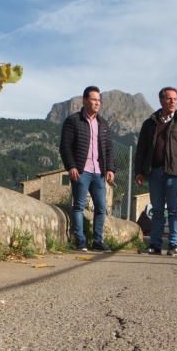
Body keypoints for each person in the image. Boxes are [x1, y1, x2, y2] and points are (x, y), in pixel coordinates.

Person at [134, 86, 177, 257]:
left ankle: (174, 245)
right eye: (169, 98)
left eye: (175, 98)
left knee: (174, 210)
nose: (173, 101)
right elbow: (141, 150)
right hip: (154, 173)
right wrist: (139, 171)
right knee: (158, 211)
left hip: (174, 173)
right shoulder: (149, 124)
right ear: (161, 100)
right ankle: (155, 244)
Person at [59, 86, 116, 251]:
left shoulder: (103, 123)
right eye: (93, 99)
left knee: (101, 207)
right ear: (84, 100)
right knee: (79, 206)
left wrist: (110, 169)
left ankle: (98, 241)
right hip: (81, 171)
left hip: (99, 173)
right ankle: (80, 241)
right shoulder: (73, 120)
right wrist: (71, 166)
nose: (97, 103)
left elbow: (109, 149)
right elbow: (65, 147)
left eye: (99, 100)